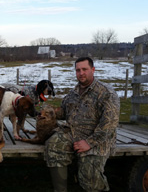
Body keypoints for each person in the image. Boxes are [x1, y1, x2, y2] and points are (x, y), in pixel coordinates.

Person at [44, 57, 120, 192]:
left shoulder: (106, 93)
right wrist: (48, 111)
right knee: (53, 145)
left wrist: (89, 142)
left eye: (84, 69)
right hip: (73, 133)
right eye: (78, 70)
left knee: (89, 173)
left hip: (97, 139)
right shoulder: (73, 92)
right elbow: (64, 111)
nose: (81, 73)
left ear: (93, 70)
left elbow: (109, 124)